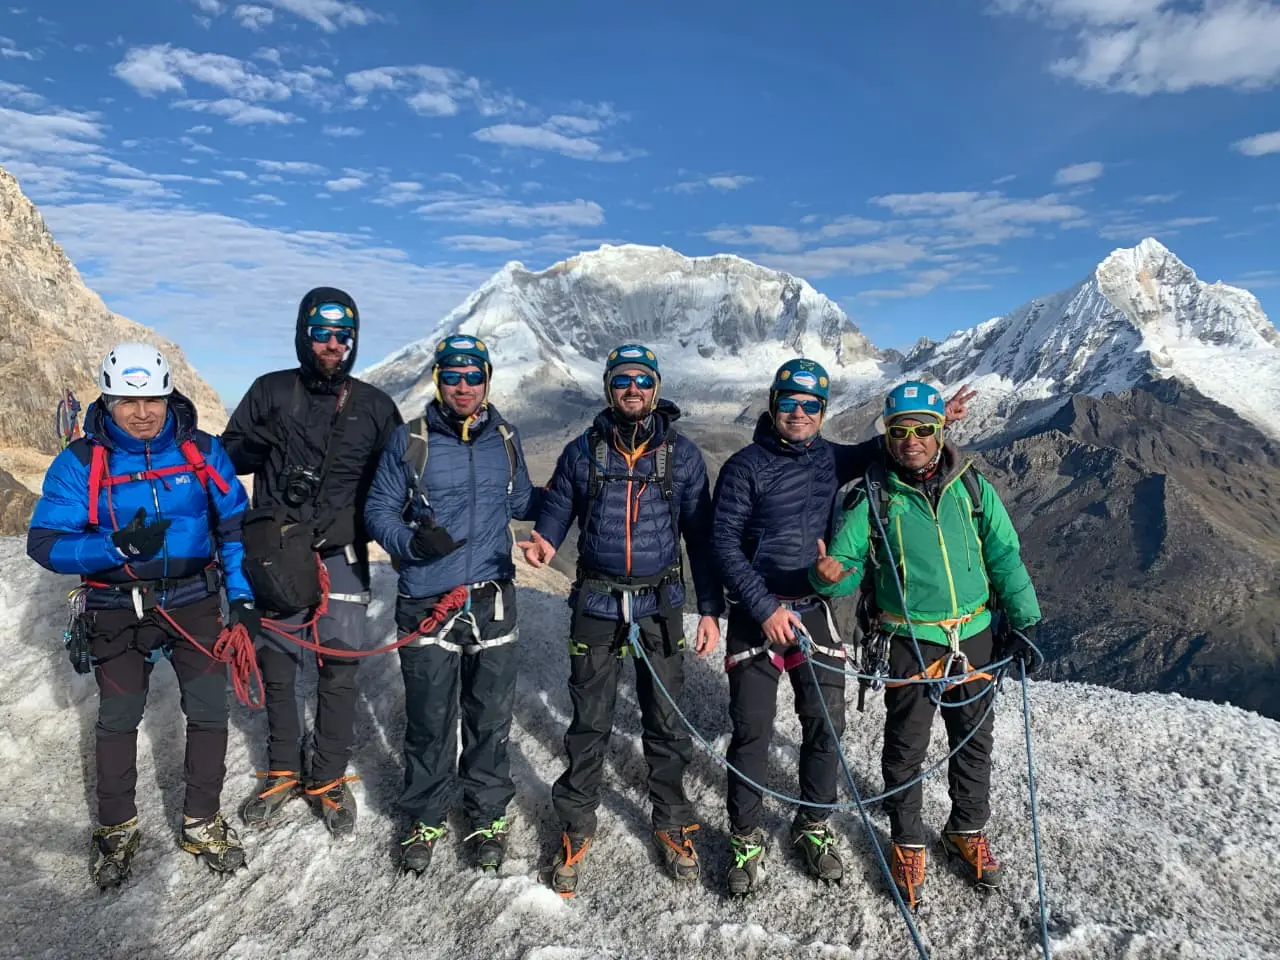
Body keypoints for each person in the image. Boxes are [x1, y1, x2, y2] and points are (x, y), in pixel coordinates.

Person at [711, 359, 974, 897]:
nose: (800, 414)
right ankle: (745, 837)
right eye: (790, 403)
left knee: (826, 727)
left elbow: (890, 446)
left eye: (811, 406)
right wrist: (763, 607)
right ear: (773, 404)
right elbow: (722, 545)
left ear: (824, 412)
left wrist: (934, 417)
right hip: (757, 613)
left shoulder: (831, 458)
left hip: (812, 608)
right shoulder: (744, 467)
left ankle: (812, 824)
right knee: (752, 730)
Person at [27, 342, 254, 888]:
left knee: (207, 713)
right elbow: (45, 543)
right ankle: (115, 827)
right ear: (107, 399)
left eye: (153, 397)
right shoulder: (80, 463)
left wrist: (242, 598)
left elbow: (233, 527)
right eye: (129, 401)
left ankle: (201, 821)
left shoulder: (201, 450)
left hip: (195, 601)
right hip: (115, 605)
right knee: (117, 718)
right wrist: (114, 550)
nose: (144, 411)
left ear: (168, 392)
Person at [809, 379, 1042, 909]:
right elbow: (844, 569)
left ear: (940, 432)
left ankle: (966, 829)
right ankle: (908, 840)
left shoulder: (972, 486)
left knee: (972, 742)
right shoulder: (873, 496)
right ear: (887, 436)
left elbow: (1004, 554)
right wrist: (826, 576)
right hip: (909, 639)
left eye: (922, 430)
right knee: (905, 749)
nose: (910, 440)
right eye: (900, 430)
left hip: (975, 634)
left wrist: (1024, 619)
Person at [520, 344, 723, 896]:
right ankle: (577, 822)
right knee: (589, 720)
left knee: (664, 719)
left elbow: (700, 540)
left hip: (660, 606)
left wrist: (710, 609)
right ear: (609, 388)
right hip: (596, 603)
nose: (632, 390)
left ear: (655, 388)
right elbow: (558, 506)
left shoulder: (680, 456)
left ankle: (670, 818)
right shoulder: (582, 452)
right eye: (622, 381)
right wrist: (544, 541)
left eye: (642, 380)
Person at [223, 287, 402, 838]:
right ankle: (281, 769)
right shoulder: (270, 392)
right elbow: (228, 460)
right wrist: (260, 438)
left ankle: (325, 776)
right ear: (304, 334)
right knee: (279, 668)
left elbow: (392, 485)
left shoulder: (375, 407)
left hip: (343, 554)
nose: (331, 345)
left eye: (342, 336)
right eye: (321, 334)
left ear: (354, 341)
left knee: (340, 667)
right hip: (278, 556)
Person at [364, 334, 539, 875]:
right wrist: (411, 544)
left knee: (490, 715)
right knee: (429, 715)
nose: (463, 386)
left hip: (492, 596)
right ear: (439, 380)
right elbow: (379, 510)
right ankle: (425, 812)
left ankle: (486, 813)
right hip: (426, 597)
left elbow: (523, 501)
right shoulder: (410, 439)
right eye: (453, 376)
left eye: (473, 375)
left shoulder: (505, 437)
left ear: (487, 379)